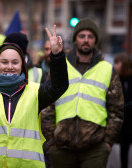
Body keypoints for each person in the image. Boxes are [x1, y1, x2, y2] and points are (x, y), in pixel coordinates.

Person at [0, 19, 68, 168]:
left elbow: (59, 85)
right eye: (4, 62)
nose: (9, 67)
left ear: (22, 65)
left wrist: (57, 55)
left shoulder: (35, 92)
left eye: (15, 62)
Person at [46, 18, 124, 168]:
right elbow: (47, 105)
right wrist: (51, 143)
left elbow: (117, 110)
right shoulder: (60, 66)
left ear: (96, 40)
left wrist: (107, 143)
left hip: (95, 149)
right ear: (75, 39)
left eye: (90, 37)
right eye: (82, 36)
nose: (86, 40)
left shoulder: (107, 69)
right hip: (61, 148)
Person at [114, 53, 132, 168]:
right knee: (124, 151)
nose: (115, 66)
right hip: (123, 124)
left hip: (130, 121)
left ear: (124, 64)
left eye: (117, 63)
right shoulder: (116, 80)